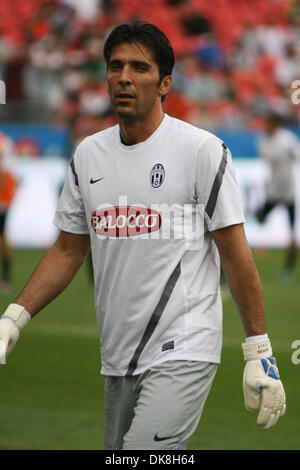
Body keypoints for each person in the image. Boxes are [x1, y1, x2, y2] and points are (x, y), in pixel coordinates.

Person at [0, 22, 285, 450]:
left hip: (185, 346)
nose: (124, 77)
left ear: (165, 82)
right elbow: (67, 249)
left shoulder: (202, 151)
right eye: (115, 66)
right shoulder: (88, 155)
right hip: (117, 355)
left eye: (139, 67)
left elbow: (235, 253)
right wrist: (14, 317)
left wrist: (258, 351)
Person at [256, 112, 300, 282]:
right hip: (273, 191)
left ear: (275, 124)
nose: (265, 126)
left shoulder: (287, 140)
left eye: (267, 123)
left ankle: (289, 267)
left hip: (287, 192)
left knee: (291, 232)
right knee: (259, 217)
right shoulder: (263, 141)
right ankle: (261, 245)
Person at [0, 132, 17, 291]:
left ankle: (6, 276)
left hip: (2, 198)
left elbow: (5, 173)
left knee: (3, 235)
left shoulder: (4, 143)